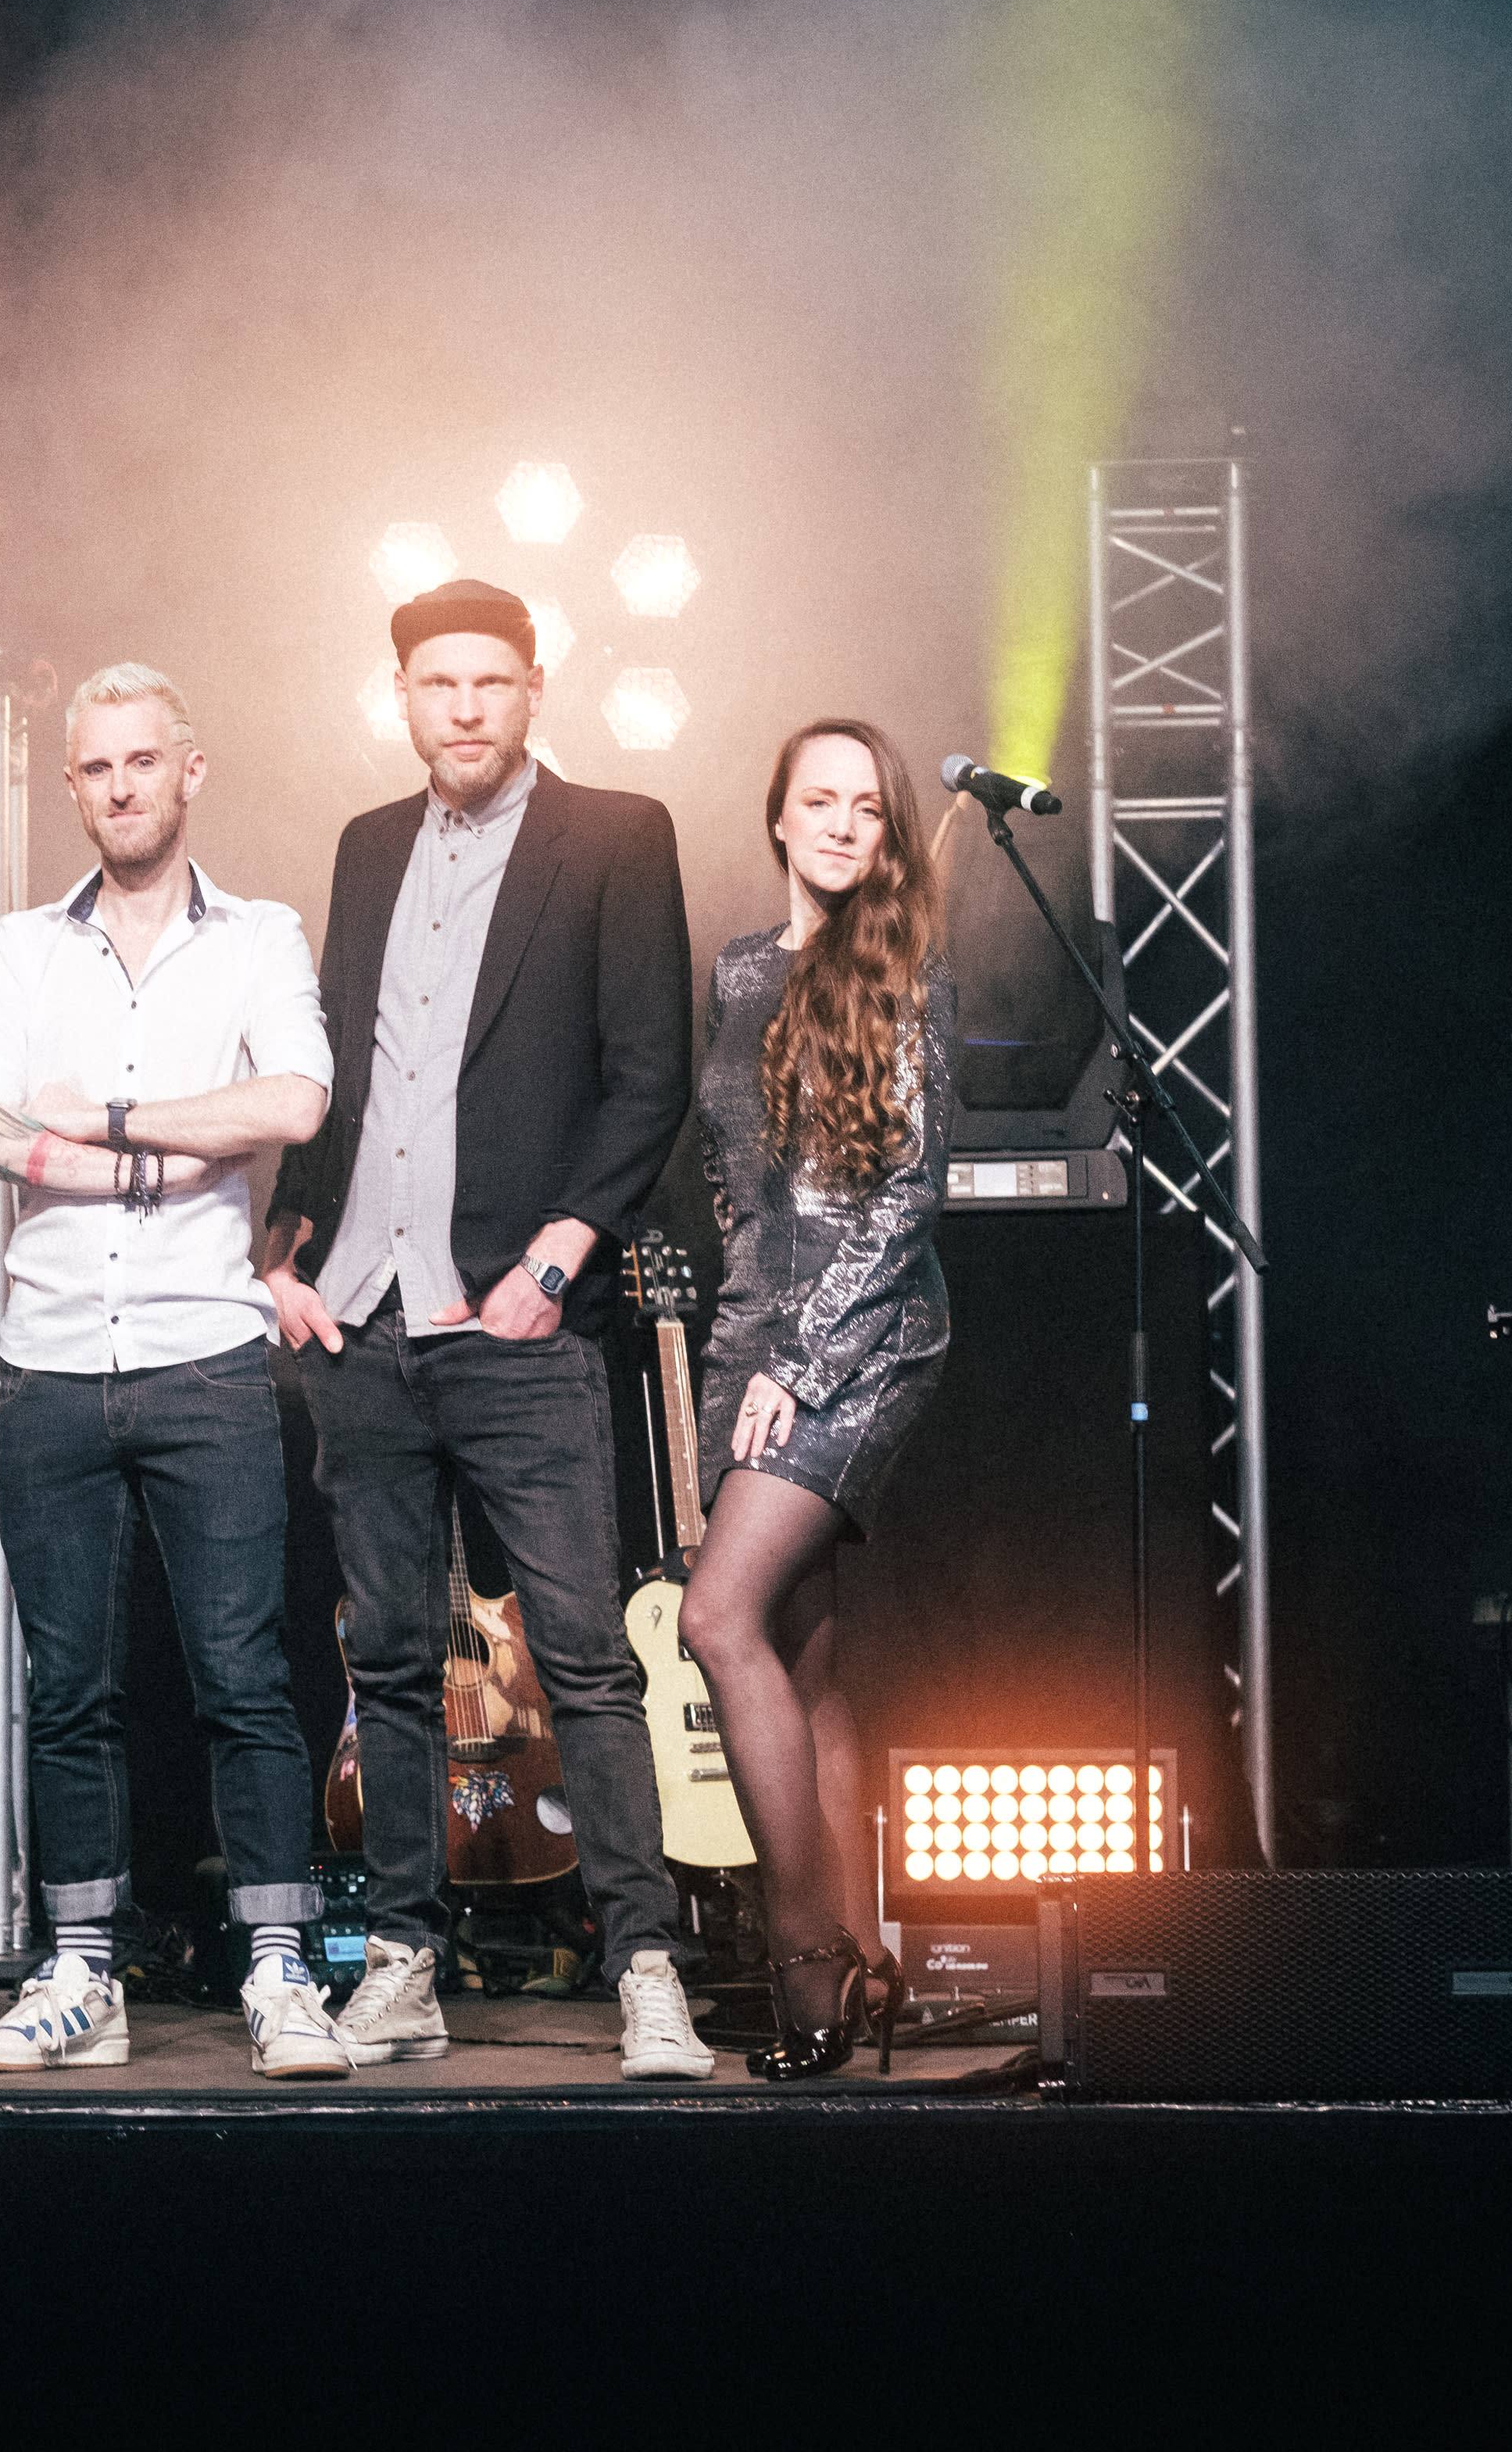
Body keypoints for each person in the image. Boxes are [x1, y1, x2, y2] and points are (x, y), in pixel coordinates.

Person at [259, 578, 716, 2082]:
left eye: (491, 682)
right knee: (391, 1662)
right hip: (365, 1322)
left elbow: (650, 1073)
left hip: (518, 1318)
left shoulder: (619, 835)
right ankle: (401, 1963)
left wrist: (558, 1257)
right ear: (402, 696)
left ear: (533, 690)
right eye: (437, 683)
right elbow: (343, 1070)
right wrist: (287, 1246)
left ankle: (647, 1969)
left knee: (586, 1659)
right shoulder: (367, 846)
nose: (464, 707)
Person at [0, 664, 349, 2079]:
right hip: (49, 1363)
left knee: (244, 1678)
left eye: (143, 760)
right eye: (97, 767)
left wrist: (104, 1120)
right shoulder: (20, 950)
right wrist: (171, 1153)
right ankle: (81, 1977)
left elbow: (293, 1100)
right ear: (73, 786)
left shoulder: (260, 935)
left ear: (191, 769)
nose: (121, 786)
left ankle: (281, 1974)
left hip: (207, 1357)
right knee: (68, 1690)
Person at [679, 717, 951, 2078]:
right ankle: (871, 1958)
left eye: (868, 808)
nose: (843, 825)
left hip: (865, 1336)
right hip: (749, 1335)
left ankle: (805, 1964)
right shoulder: (738, 969)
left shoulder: (905, 974)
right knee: (802, 1661)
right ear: (779, 816)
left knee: (716, 1618)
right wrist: (741, 1348)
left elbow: (906, 1201)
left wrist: (799, 1362)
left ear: (886, 833)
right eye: (820, 801)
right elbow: (732, 1174)